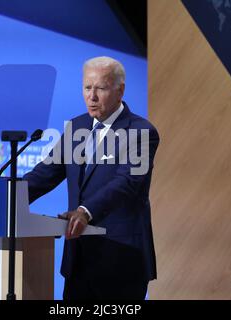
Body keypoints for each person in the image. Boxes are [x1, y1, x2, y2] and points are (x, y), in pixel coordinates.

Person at [23, 56, 159, 300]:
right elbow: (45, 174)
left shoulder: (141, 132)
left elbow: (128, 182)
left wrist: (85, 211)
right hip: (79, 261)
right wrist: (3, 196)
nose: (92, 96)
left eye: (101, 88)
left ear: (120, 90)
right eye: (87, 87)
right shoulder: (76, 127)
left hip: (121, 261)